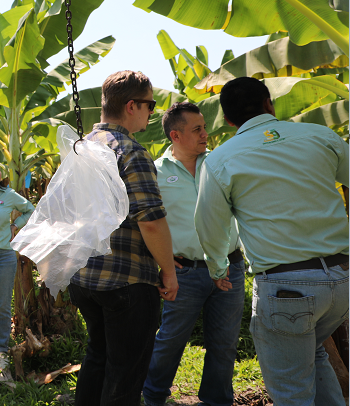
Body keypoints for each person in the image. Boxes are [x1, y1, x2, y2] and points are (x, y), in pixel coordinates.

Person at [195, 77, 349, 405]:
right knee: (312, 355)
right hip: (342, 278)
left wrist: (218, 267)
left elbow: (209, 226)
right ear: (269, 103)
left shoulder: (220, 159)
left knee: (291, 392)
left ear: (229, 120)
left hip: (286, 290)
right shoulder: (319, 135)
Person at [68, 70, 178, 405]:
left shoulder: (79, 148)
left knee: (98, 357)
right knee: (125, 373)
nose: (152, 112)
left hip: (84, 277)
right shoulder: (131, 151)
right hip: (126, 281)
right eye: (150, 104)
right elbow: (151, 222)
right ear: (132, 106)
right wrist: (169, 273)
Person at [143, 102, 245, 406]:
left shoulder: (221, 163)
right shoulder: (155, 172)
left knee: (225, 343)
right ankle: (154, 396)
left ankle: (216, 400)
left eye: (204, 127)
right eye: (197, 129)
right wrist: (158, 261)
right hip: (182, 272)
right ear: (175, 135)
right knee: (171, 340)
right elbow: (141, 221)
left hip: (229, 267)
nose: (205, 134)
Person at [0, 158, 34, 374]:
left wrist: (15, 225)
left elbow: (30, 209)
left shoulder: (7, 195)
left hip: (4, 255)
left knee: (2, 305)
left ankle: (2, 349)